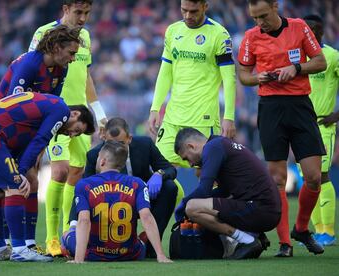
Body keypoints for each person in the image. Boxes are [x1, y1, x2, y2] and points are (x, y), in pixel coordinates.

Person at [0, 92, 95, 262]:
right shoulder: (61, 110)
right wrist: (20, 173)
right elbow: (40, 140)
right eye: (77, 130)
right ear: (75, 114)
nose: (72, 135)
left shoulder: (44, 104)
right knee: (16, 187)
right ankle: (20, 249)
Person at [238, 0, 327, 257]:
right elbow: (243, 74)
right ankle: (285, 243)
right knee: (277, 178)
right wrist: (258, 78)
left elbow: (320, 62)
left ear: (276, 7)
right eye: (255, 18)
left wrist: (296, 68)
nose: (259, 23)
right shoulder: (251, 37)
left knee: (313, 176)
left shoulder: (299, 28)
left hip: (300, 106)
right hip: (270, 108)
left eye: (263, 16)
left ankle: (301, 228)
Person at [0, 24, 82, 252]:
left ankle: (27, 243)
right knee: (11, 183)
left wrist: (38, 146)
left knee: (31, 180)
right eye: (71, 53)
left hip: (29, 129)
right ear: (55, 47)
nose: (73, 59)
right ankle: (9, 243)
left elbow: (50, 108)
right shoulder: (29, 65)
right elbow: (11, 109)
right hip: (3, 127)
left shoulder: (61, 69)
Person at [28, 0, 108, 256]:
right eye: (78, 12)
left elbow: (86, 76)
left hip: (80, 117)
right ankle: (51, 238)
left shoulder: (85, 36)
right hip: (55, 113)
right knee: (59, 171)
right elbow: (31, 69)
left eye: (87, 13)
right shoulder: (44, 33)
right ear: (66, 8)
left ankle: (66, 235)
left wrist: (100, 114)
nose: (83, 18)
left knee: (76, 172)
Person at [148, 0, 237, 169]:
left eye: (194, 11)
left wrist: (229, 117)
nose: (188, 16)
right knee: (162, 170)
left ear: (205, 7)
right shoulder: (173, 31)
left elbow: (229, 78)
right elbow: (165, 73)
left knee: (205, 174)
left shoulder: (219, 34)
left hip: (202, 120)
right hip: (173, 118)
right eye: (184, 10)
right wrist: (155, 107)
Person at [174, 128, 281, 259]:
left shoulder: (212, 147)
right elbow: (225, 191)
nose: (190, 164)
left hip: (261, 209)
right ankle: (253, 235)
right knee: (200, 205)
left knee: (192, 208)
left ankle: (246, 240)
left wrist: (183, 204)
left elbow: (204, 191)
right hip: (267, 210)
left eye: (186, 158)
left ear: (191, 146)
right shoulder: (220, 144)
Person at [62, 140, 172, 263]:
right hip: (130, 254)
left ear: (102, 161)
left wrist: (79, 260)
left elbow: (84, 220)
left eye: (98, 157)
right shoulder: (137, 184)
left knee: (67, 234)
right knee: (140, 242)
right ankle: (145, 243)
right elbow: (146, 216)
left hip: (94, 254)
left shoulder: (84, 185)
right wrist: (161, 255)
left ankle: (71, 251)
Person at [84, 117, 178, 257]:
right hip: (111, 204)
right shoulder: (94, 155)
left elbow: (170, 169)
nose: (116, 147)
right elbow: (84, 190)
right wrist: (73, 224)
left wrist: (159, 174)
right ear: (104, 139)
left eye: (121, 143)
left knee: (170, 188)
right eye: (110, 143)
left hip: (142, 199)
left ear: (130, 138)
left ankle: (152, 246)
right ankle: (103, 245)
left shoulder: (145, 145)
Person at [303, 14, 339, 246]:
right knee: (308, 179)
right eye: (307, 29)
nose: (311, 33)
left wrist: (336, 115)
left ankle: (328, 231)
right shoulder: (297, 57)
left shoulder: (333, 56)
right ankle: (317, 231)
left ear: (322, 32)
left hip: (322, 126)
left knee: (321, 177)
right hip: (299, 126)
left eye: (315, 29)